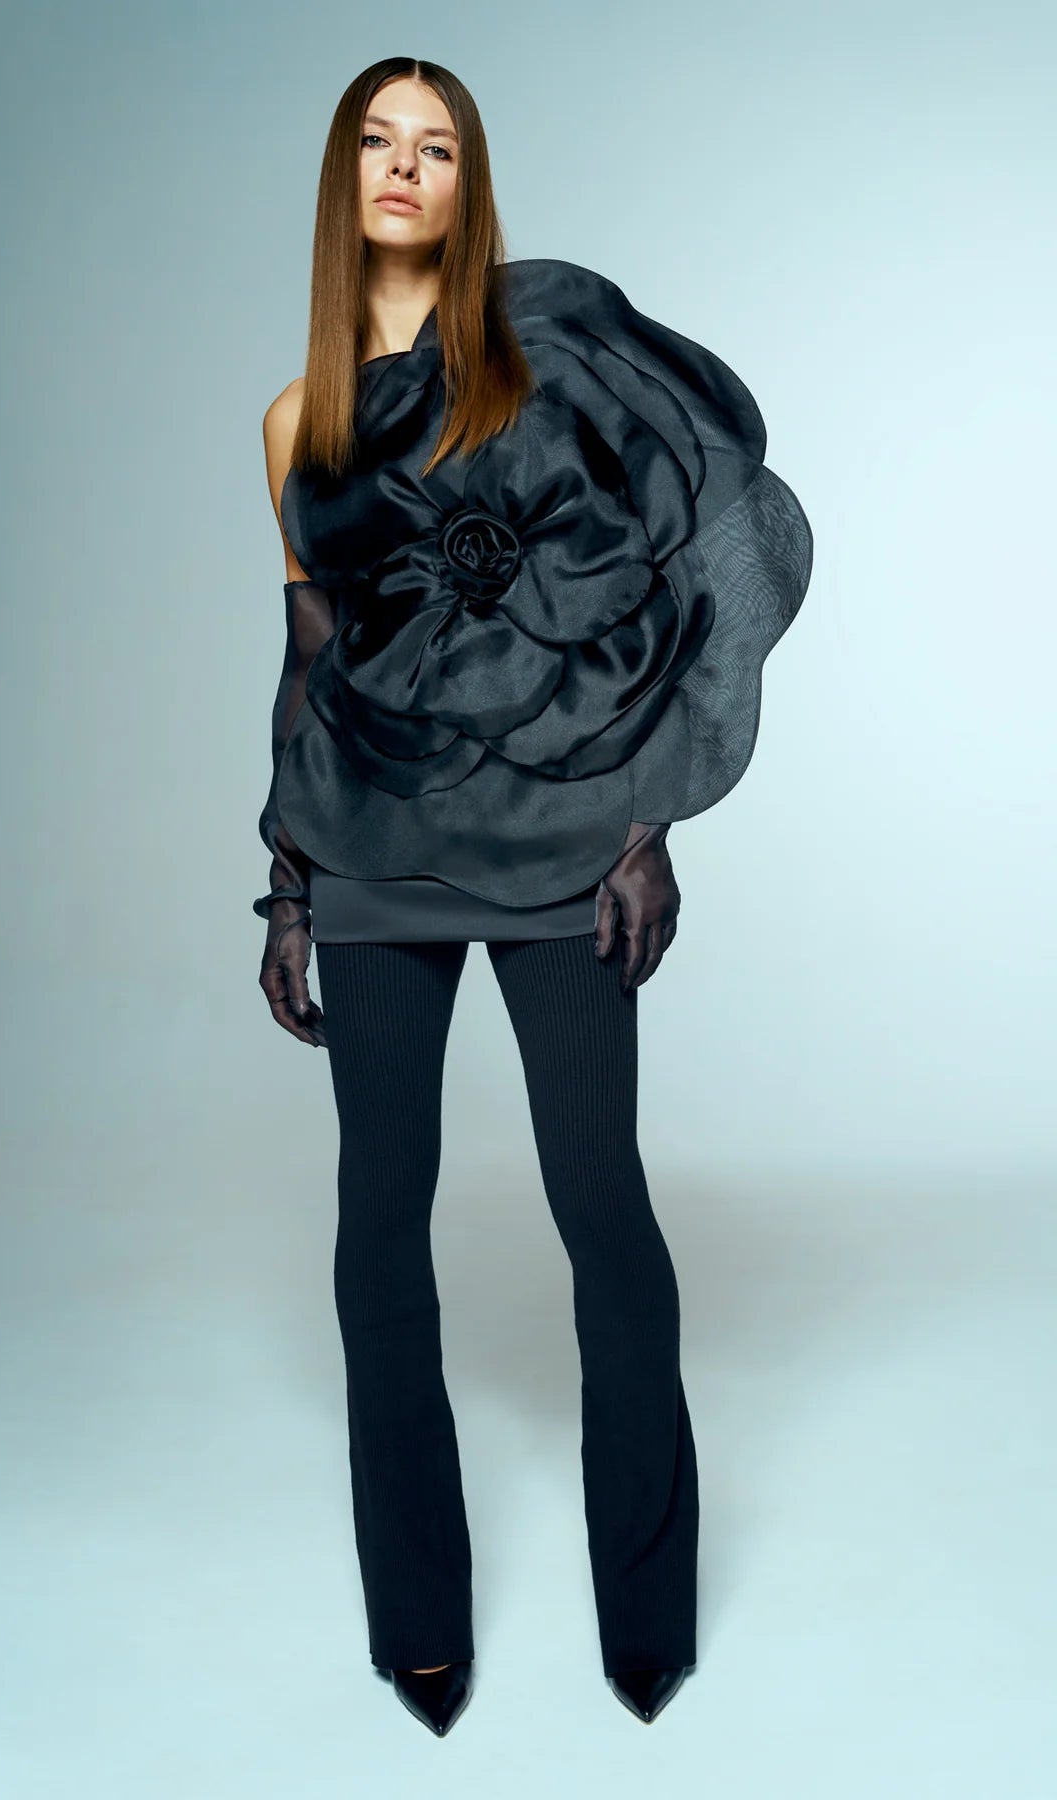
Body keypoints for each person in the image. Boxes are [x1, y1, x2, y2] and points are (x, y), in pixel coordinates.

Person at [253, 57, 813, 1737]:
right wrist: (285, 881)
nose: (403, 168)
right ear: (345, 177)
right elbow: (310, 661)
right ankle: (417, 1616)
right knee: (377, 1234)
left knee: (600, 1208)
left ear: (467, 182)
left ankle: (647, 1603)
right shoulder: (295, 419)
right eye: (378, 142)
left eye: (436, 147)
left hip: (562, 845)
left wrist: (649, 821)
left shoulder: (546, 357)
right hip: (371, 850)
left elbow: (682, 580)